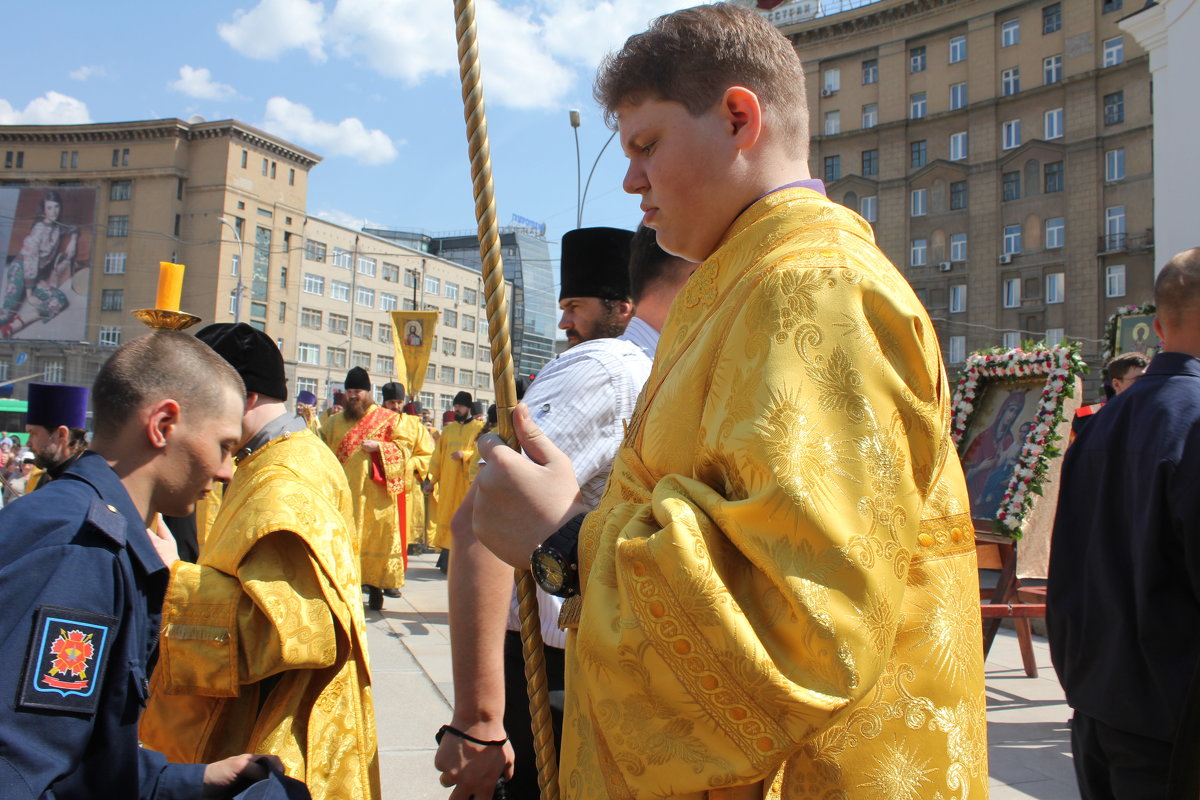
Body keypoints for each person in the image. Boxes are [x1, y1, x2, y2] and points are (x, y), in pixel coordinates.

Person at [465, 6, 988, 797]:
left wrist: (565, 539)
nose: (629, 180)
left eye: (646, 145)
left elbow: (803, 628)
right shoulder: (748, 283)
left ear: (740, 118)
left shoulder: (813, 287)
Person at [436, 225, 694, 798]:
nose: (563, 323)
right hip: (545, 673)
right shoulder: (606, 368)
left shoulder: (661, 368)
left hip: (593, 667)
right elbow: (479, 523)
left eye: (574, 306)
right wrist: (480, 718)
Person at [0, 331, 279, 798]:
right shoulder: (81, 553)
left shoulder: (92, 530)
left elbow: (85, 764)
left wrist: (199, 779)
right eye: (224, 446)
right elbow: (25, 772)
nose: (227, 470)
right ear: (164, 424)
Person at [138, 323, 380, 800]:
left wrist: (175, 579)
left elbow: (303, 631)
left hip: (277, 734)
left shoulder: (286, 480)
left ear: (243, 398)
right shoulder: (268, 458)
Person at [1048, 247, 1200, 799]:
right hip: (1174, 728)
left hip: (1098, 710)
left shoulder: (1101, 424)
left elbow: (1067, 563)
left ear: (1158, 326)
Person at [319, 368, 431, 610]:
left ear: (367, 392)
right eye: (349, 391)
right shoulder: (333, 423)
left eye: (357, 391)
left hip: (377, 500)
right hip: (343, 497)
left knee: (375, 543)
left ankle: (378, 588)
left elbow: (404, 449)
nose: (352, 396)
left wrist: (380, 447)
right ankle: (348, 589)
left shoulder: (388, 419)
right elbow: (319, 450)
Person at [0, 190, 82, 339]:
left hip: (36, 275)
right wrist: (30, 294)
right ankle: (7, 323)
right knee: (5, 314)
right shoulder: (38, 230)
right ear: (43, 209)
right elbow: (30, 261)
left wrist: (74, 238)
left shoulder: (57, 227)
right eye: (49, 208)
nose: (54, 211)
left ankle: (16, 324)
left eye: (56, 207)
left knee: (59, 299)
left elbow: (73, 229)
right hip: (21, 270)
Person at [423, 392, 484, 563]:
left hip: (466, 483)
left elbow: (482, 453)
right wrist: (432, 480)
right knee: (448, 516)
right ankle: (446, 556)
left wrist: (465, 454)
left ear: (468, 408)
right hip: (448, 483)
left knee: (464, 516)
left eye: (460, 406)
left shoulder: (479, 428)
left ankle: (463, 557)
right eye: (455, 406)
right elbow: (437, 456)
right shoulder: (448, 430)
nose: (456, 409)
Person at [22, 381, 90, 493]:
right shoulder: (45, 477)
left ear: (62, 434)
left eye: (33, 433)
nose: (28, 443)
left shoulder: (84, 483)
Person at [1070, 352, 1149, 442]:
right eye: (1138, 380)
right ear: (1116, 384)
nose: (1147, 384)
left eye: (1150, 379)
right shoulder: (1088, 418)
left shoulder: (1158, 415)